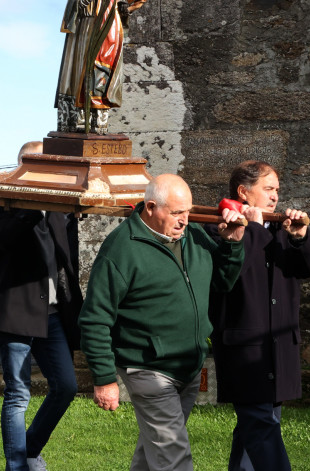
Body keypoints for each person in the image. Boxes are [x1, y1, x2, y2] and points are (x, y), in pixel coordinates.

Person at [79, 174, 246, 471]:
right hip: (148, 368)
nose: (185, 220)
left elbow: (222, 282)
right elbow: (94, 318)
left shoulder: (193, 234)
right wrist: (104, 378)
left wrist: (231, 245)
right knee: (173, 456)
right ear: (152, 207)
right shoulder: (121, 249)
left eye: (188, 211)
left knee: (154, 451)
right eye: (177, 213)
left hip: (188, 365)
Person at [208, 161, 310, 471]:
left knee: (259, 424)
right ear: (243, 192)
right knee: (261, 423)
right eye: (268, 188)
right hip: (244, 349)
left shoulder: (282, 229)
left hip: (279, 347)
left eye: (277, 190)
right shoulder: (219, 227)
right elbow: (233, 272)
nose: (276, 196)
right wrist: (254, 229)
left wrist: (301, 237)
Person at [0, 141, 85, 471]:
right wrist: (31, 204)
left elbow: (65, 257)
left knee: (66, 387)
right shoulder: (2, 201)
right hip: (15, 313)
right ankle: (17, 466)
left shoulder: (58, 207)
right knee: (18, 394)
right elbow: (5, 240)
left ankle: (27, 450)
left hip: (52, 314)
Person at [55, 0, 147, 133]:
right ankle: (77, 122)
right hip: (83, 24)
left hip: (107, 24)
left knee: (99, 72)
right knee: (77, 71)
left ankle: (96, 123)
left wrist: (126, 6)